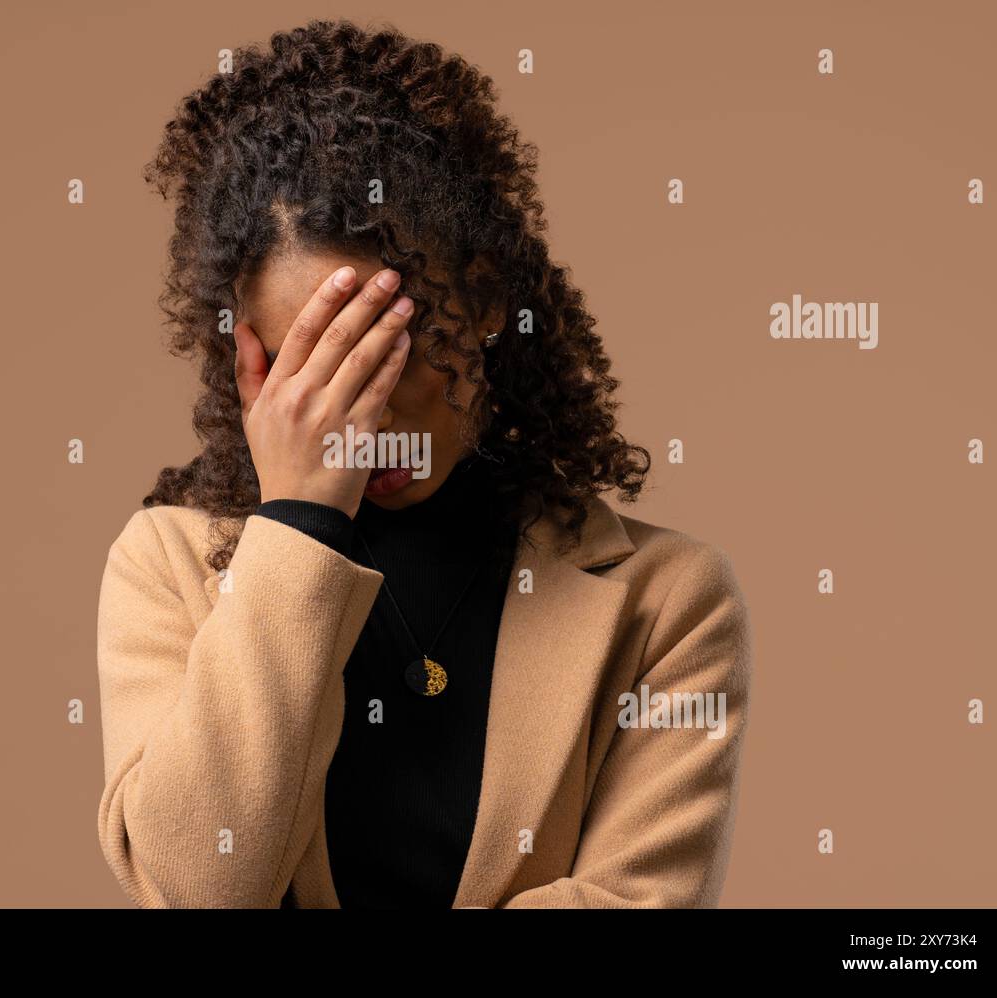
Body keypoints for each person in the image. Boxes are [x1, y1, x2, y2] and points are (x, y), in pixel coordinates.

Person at [94, 18, 753, 909]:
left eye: (384, 347)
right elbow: (202, 888)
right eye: (313, 365)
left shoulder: (668, 603)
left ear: (481, 297)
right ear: (250, 367)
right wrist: (296, 526)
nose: (360, 411)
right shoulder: (165, 568)